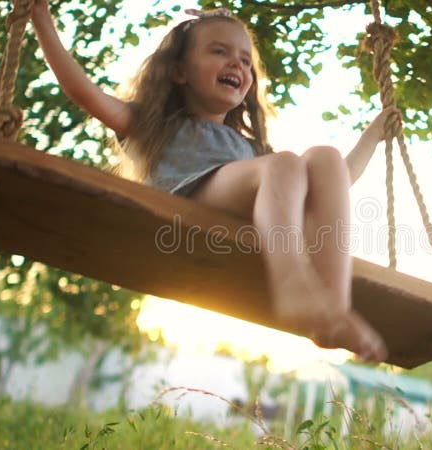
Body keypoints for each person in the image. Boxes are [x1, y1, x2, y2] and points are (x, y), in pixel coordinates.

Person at [28, 1, 395, 362]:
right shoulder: (153, 125)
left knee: (323, 157)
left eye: (245, 60)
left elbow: (337, 180)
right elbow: (83, 92)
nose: (237, 63)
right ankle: (293, 283)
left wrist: (374, 134)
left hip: (250, 214)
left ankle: (330, 309)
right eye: (219, 51)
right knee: (283, 164)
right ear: (178, 71)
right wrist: (41, 19)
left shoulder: (252, 150)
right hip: (187, 205)